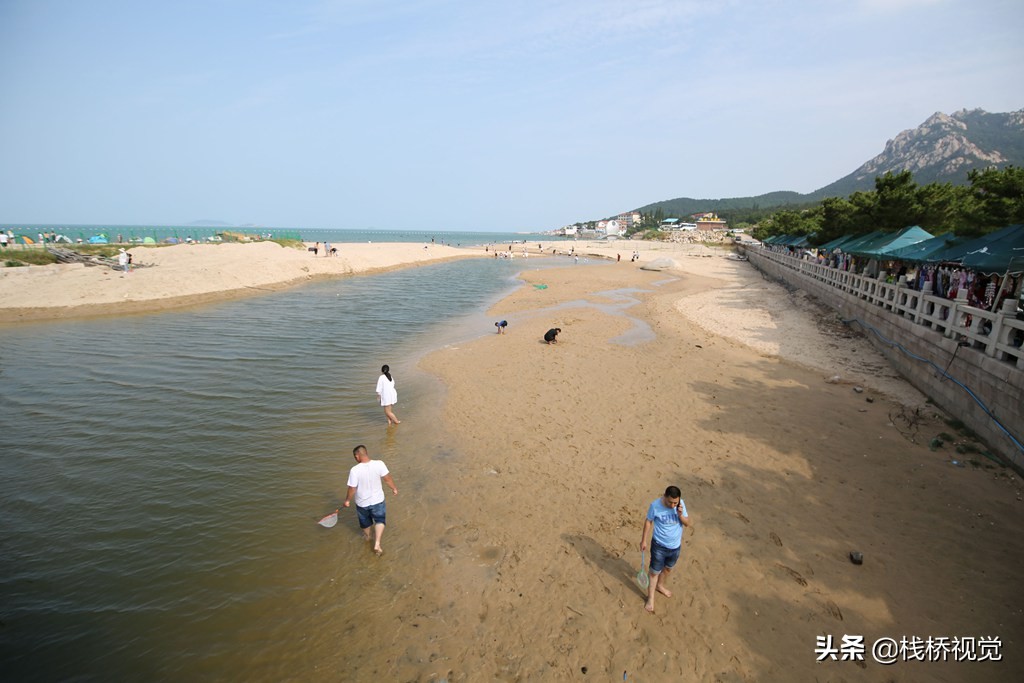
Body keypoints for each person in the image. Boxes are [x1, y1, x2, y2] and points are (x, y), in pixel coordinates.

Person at [640, 485, 691, 614]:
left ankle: (660, 585)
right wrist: (644, 540)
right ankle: (650, 598)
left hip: (675, 547)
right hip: (659, 546)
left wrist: (680, 515)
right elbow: (648, 521)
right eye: (670, 502)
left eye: (675, 502)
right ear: (664, 496)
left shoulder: (680, 505)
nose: (673, 505)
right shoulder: (655, 506)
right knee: (654, 572)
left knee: (668, 568)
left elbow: (688, 523)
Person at [343, 444, 398, 556]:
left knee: (365, 523)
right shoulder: (379, 464)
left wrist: (347, 500)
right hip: (378, 500)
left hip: (362, 503)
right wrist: (394, 488)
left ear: (357, 456)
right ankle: (377, 543)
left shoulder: (354, 470)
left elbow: (352, 488)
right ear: (366, 453)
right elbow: (387, 479)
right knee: (380, 520)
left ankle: (368, 537)